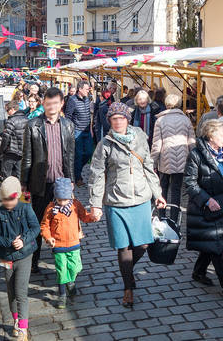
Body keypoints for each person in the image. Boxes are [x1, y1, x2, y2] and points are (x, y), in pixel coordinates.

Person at [89, 102, 166, 308]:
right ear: (110, 121)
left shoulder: (140, 137)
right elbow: (96, 175)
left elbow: (148, 165)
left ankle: (127, 272)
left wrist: (157, 193)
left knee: (143, 244)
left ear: (127, 120)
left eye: (121, 118)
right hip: (116, 200)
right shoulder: (104, 144)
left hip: (141, 198)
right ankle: (128, 288)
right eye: (114, 119)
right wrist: (95, 204)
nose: (118, 122)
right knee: (123, 247)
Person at [21, 87, 75, 273]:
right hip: (40, 182)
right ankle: (33, 260)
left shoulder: (68, 125)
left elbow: (70, 156)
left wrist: (71, 180)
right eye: (48, 103)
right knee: (37, 221)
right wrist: (24, 182)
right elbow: (27, 155)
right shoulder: (33, 125)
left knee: (61, 222)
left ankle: (60, 261)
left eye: (55, 103)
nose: (51, 107)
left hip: (61, 183)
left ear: (61, 104)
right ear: (43, 103)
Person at [184, 119, 223, 301]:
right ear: (211, 135)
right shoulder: (196, 155)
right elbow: (190, 183)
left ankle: (198, 272)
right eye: (222, 134)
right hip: (207, 207)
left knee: (213, 242)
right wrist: (206, 200)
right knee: (216, 246)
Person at [0, 177, 40, 341]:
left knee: (21, 292)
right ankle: (16, 321)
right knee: (10, 291)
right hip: (6, 257)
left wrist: (23, 240)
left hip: (25, 256)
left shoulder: (25, 209)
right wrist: (9, 243)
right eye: (4, 199)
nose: (8, 203)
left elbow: (35, 228)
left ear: (17, 196)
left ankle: (23, 329)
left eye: (10, 199)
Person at [39, 177, 96, 309]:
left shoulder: (76, 205)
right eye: (59, 200)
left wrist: (92, 217)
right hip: (58, 246)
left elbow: (84, 216)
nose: (63, 203)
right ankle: (62, 295)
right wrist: (48, 238)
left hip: (73, 243)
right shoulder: (51, 208)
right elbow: (44, 226)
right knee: (61, 270)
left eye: (65, 200)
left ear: (70, 196)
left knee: (75, 267)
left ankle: (71, 282)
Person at [151, 93, 195, 222]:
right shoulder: (185, 120)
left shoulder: (160, 120)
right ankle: (174, 218)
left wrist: (152, 162)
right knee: (176, 190)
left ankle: (162, 216)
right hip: (182, 160)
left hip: (165, 160)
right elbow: (191, 141)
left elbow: (156, 144)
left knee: (162, 189)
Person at [65, 81, 94, 186]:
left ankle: (74, 170)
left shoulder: (87, 99)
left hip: (86, 131)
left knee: (89, 153)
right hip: (77, 131)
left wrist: (90, 129)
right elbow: (68, 117)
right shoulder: (72, 100)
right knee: (78, 155)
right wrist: (70, 132)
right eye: (86, 89)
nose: (88, 91)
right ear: (80, 89)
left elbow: (88, 115)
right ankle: (77, 178)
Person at [0, 100, 27, 178]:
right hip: (22, 151)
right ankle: (18, 189)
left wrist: (1, 151)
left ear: (12, 109)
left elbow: (5, 138)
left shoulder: (11, 121)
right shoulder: (27, 119)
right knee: (19, 175)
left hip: (11, 152)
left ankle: (8, 189)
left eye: (7, 110)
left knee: (6, 174)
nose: (7, 113)